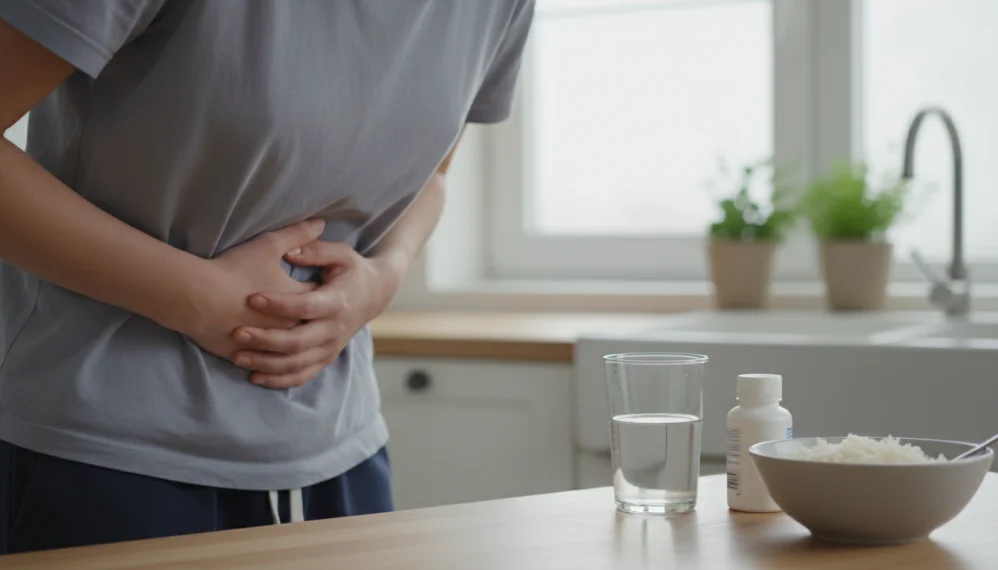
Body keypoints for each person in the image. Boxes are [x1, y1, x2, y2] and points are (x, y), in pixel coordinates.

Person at [0, 0, 534, 553]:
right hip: (103, 452)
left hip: (342, 449)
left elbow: (435, 174)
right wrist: (195, 296)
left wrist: (383, 279)